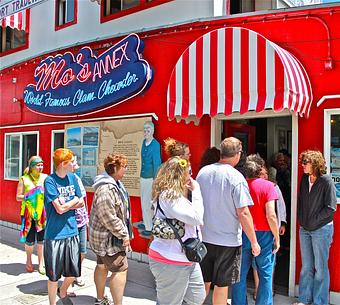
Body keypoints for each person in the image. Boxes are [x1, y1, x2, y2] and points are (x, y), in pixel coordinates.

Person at [196, 137, 260, 305]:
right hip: (228, 241)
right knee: (222, 285)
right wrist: (254, 242)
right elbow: (243, 213)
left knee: (203, 282)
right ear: (238, 155)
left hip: (204, 237)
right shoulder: (236, 178)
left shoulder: (203, 173)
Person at [148, 156, 206, 305]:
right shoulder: (169, 196)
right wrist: (197, 189)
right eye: (189, 172)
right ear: (179, 175)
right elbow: (197, 218)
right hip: (170, 259)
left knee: (196, 298)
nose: (191, 176)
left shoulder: (178, 196)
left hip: (187, 257)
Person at [232, 154, 280, 305]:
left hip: (243, 231)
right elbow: (271, 215)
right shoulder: (269, 186)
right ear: (260, 169)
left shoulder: (240, 185)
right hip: (264, 233)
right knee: (265, 274)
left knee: (240, 274)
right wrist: (277, 237)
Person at [292, 150, 336, 305]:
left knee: (320, 268)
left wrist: (313, 220)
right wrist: (302, 219)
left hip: (321, 230)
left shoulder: (326, 181)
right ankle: (304, 299)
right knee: (307, 267)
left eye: (306, 162)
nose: (303, 165)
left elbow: (331, 208)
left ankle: (320, 302)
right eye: (302, 162)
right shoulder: (304, 179)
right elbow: (301, 201)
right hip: (305, 229)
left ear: (315, 164)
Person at [89, 153, 133, 305]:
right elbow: (108, 217)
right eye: (124, 167)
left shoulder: (114, 184)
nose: (126, 170)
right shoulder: (107, 189)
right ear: (115, 168)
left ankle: (100, 299)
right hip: (109, 240)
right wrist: (124, 234)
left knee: (101, 266)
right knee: (120, 270)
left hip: (103, 238)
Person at [44, 148, 84, 305]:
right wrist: (73, 200)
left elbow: (80, 201)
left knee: (74, 271)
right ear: (63, 164)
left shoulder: (73, 177)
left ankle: (64, 290)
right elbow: (58, 210)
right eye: (71, 162)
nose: (74, 165)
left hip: (72, 231)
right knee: (53, 275)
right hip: (54, 235)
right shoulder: (50, 181)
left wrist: (69, 202)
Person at [252, 165, 287, 300]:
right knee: (256, 262)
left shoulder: (274, 187)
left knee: (270, 262)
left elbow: (281, 206)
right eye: (261, 174)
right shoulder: (253, 186)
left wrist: (282, 223)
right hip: (256, 229)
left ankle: (269, 288)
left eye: (266, 174)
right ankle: (257, 289)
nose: (264, 176)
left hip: (272, 230)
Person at [16, 156, 47, 274]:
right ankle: (28, 260)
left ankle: (41, 263)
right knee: (29, 239)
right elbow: (18, 197)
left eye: (42, 165)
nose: (40, 167)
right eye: (38, 165)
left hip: (42, 214)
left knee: (41, 240)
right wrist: (30, 195)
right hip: (27, 213)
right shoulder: (24, 179)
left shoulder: (45, 178)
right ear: (32, 166)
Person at [139, 121, 162, 237]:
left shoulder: (155, 145)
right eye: (145, 130)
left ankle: (149, 226)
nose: (146, 132)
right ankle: (146, 221)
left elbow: (157, 163)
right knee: (143, 201)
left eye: (148, 130)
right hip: (143, 177)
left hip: (150, 178)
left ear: (152, 131)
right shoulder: (144, 142)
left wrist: (156, 180)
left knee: (148, 203)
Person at [72, 157, 89, 288]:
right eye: (74, 162)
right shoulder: (61, 181)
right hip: (70, 222)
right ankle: (72, 276)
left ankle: (76, 272)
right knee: (71, 252)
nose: (77, 165)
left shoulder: (77, 178)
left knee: (82, 251)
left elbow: (83, 200)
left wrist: (87, 216)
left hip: (82, 220)